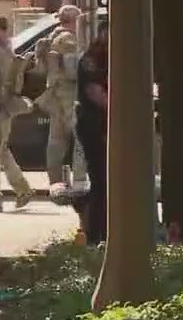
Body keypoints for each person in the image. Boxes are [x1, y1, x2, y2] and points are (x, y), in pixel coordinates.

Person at [0, 14, 34, 211]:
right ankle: (22, 190)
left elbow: (0, 85)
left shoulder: (0, 54)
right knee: (0, 151)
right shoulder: (1, 51)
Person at [36, 5, 87, 185]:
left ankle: (55, 181)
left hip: (54, 92)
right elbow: (73, 71)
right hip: (69, 94)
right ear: (75, 21)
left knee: (56, 140)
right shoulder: (68, 40)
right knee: (80, 137)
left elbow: (41, 69)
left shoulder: (51, 38)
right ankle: (80, 179)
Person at [74, 19, 108, 244]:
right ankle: (95, 234)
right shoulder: (92, 59)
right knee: (102, 181)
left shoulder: (110, 57)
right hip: (95, 125)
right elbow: (97, 95)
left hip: (104, 125)